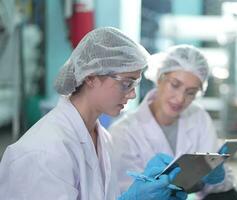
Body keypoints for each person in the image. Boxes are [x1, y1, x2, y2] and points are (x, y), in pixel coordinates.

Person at [0, 27, 187, 200]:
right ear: (91, 77)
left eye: (135, 84)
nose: (132, 94)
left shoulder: (102, 138)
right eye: (126, 83)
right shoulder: (44, 152)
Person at [109, 44, 237, 200]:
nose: (180, 99)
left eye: (190, 92)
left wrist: (217, 176)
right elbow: (123, 191)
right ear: (159, 78)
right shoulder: (123, 132)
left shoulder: (198, 117)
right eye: (175, 85)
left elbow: (217, 187)